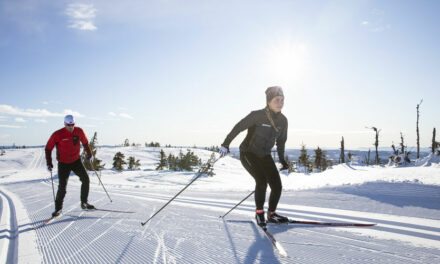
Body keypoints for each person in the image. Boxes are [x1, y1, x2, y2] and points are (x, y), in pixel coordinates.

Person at [219, 86, 289, 227]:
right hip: (248, 153)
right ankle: (259, 213)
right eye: (276, 100)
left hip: (264, 155)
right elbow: (238, 127)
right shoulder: (257, 115)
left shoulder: (283, 120)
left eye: (282, 100)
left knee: (277, 185)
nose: (280, 103)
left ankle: (271, 214)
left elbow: (281, 142)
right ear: (269, 101)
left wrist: (282, 160)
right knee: (261, 181)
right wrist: (226, 143)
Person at [45, 114, 95, 217]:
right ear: (64, 124)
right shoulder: (58, 134)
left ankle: (84, 203)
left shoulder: (79, 131)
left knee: (86, 179)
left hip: (76, 161)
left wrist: (90, 154)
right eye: (68, 125)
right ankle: (58, 209)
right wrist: (49, 163)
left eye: (72, 125)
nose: (71, 127)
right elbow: (48, 148)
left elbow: (85, 143)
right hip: (63, 163)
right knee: (62, 187)